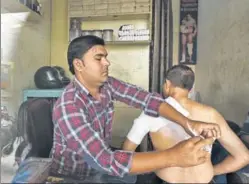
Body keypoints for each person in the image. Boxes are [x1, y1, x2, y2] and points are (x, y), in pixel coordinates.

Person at [49, 36, 220, 183]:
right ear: (79, 65)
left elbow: (148, 100)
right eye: (99, 58)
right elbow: (104, 161)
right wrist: (173, 157)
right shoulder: (68, 106)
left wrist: (188, 123)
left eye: (106, 57)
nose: (107, 63)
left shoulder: (107, 85)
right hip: (74, 176)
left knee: (143, 174)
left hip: (101, 163)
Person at [122, 65, 249, 183]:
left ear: (167, 84)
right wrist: (211, 171)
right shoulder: (211, 114)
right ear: (191, 89)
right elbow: (243, 157)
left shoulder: (150, 113)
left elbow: (125, 157)